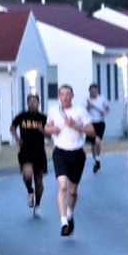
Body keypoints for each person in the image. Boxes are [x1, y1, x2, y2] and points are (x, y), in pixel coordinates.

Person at [45, 85, 95, 236]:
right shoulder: (53, 111)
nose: (65, 97)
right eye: (62, 95)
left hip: (77, 153)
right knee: (62, 186)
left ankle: (70, 215)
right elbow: (47, 126)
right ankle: (63, 222)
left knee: (72, 191)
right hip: (60, 152)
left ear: (72, 96)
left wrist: (76, 126)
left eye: (68, 94)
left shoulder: (80, 111)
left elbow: (91, 130)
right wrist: (51, 130)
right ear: (59, 97)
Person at [10, 93, 47, 215]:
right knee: (27, 174)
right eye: (30, 101)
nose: (32, 103)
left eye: (35, 101)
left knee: (39, 182)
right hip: (26, 150)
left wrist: (44, 131)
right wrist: (16, 137)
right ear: (27, 103)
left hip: (40, 152)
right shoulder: (22, 116)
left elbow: (51, 134)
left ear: (38, 103)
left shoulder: (43, 118)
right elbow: (13, 127)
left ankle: (37, 205)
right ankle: (30, 191)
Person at [84, 83, 110, 172]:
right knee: (93, 143)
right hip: (90, 123)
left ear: (97, 91)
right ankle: (96, 161)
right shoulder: (86, 100)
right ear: (89, 91)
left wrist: (104, 113)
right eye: (92, 91)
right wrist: (88, 107)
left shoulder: (102, 99)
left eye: (95, 91)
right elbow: (83, 111)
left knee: (97, 141)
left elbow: (107, 109)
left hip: (100, 122)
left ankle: (98, 158)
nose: (93, 93)